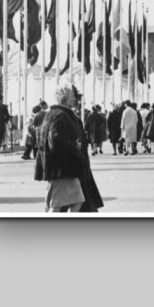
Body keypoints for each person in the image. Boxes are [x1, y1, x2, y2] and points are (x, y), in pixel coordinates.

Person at [34, 84, 103, 213]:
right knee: (58, 205)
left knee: (71, 202)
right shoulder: (60, 116)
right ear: (65, 98)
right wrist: (74, 147)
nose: (74, 99)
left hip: (61, 169)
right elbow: (55, 141)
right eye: (72, 96)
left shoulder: (54, 114)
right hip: (63, 169)